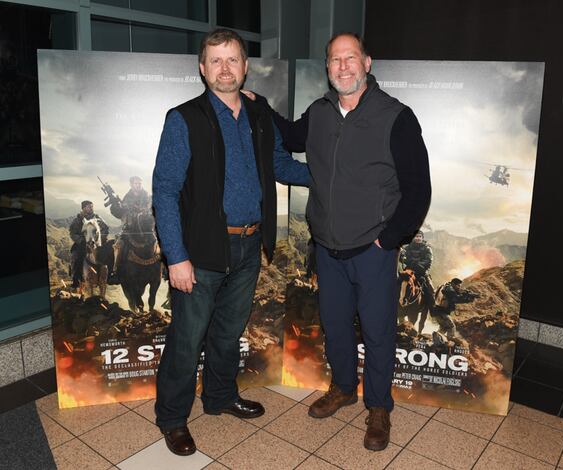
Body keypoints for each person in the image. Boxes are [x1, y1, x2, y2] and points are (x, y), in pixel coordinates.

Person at [253, 32, 431, 451]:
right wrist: (262, 107)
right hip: (327, 250)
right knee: (335, 328)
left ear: (367, 63)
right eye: (335, 60)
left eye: (351, 58)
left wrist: (387, 242)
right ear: (328, 68)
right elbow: (293, 138)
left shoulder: (397, 116)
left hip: (373, 251)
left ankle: (379, 408)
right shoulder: (320, 112)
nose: (343, 66)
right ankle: (344, 388)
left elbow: (418, 190)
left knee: (378, 332)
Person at [152, 28, 310, 457]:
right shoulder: (183, 118)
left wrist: (327, 175)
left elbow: (279, 163)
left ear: (245, 66)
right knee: (188, 338)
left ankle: (220, 397)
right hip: (201, 252)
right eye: (216, 61)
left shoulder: (260, 116)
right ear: (203, 69)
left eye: (233, 59)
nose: (225, 68)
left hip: (248, 246)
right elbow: (165, 190)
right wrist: (176, 257)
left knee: (227, 332)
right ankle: (172, 419)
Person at [108, 176, 151, 284]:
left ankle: (166, 269)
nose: (138, 185)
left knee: (161, 240)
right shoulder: (127, 197)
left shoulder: (146, 196)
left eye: (140, 183)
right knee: (118, 245)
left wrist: (142, 211)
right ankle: (115, 271)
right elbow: (120, 213)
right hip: (129, 228)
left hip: (146, 226)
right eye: (136, 183)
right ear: (131, 185)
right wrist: (114, 205)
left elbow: (150, 208)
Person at [69, 200, 109, 288]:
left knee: (110, 253)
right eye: (89, 207)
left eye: (92, 206)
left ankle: (111, 275)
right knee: (75, 256)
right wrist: (81, 240)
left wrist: (100, 238)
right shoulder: (78, 220)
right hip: (82, 243)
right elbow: (72, 233)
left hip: (97, 242)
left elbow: (105, 228)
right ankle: (76, 279)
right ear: (83, 208)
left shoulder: (97, 217)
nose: (91, 208)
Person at [399, 230, 435, 306]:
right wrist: (404, 258)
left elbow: (428, 260)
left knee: (430, 289)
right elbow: (402, 258)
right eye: (416, 236)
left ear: (422, 238)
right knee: (397, 282)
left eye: (419, 237)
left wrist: (418, 265)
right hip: (409, 270)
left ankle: (433, 309)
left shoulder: (427, 249)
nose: (418, 238)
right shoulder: (407, 248)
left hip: (422, 271)